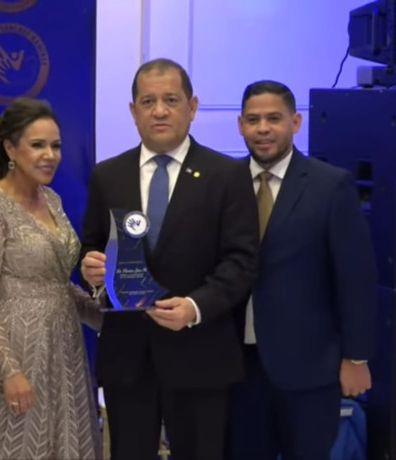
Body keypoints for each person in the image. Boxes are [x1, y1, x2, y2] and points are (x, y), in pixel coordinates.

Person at [79, 58, 259, 460]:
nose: (159, 110)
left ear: (192, 107)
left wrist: (196, 306)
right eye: (148, 101)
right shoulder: (108, 175)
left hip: (201, 351)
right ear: (133, 111)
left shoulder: (227, 175)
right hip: (129, 359)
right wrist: (91, 269)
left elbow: (242, 261)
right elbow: (89, 247)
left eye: (171, 100)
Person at [0, 98, 104, 460]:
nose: (50, 155)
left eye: (56, 145)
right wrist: (10, 370)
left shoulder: (52, 199)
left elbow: (57, 283)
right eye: (38, 145)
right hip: (14, 351)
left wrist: (108, 318)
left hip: (62, 352)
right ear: (10, 148)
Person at [227, 80, 376, 460]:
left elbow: (355, 279)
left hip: (310, 368)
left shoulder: (330, 186)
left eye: (274, 118)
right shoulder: (222, 184)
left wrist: (356, 358)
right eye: (254, 119)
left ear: (295, 122)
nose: (263, 128)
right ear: (240, 125)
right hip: (236, 367)